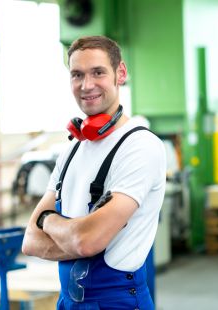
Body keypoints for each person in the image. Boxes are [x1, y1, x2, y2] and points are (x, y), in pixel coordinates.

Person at [22, 35, 166, 309]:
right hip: (69, 301)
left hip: (117, 302)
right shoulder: (72, 150)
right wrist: (74, 237)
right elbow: (30, 241)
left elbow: (87, 242)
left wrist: (48, 221)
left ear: (120, 73)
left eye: (98, 72)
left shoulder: (139, 146)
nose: (86, 85)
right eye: (77, 75)